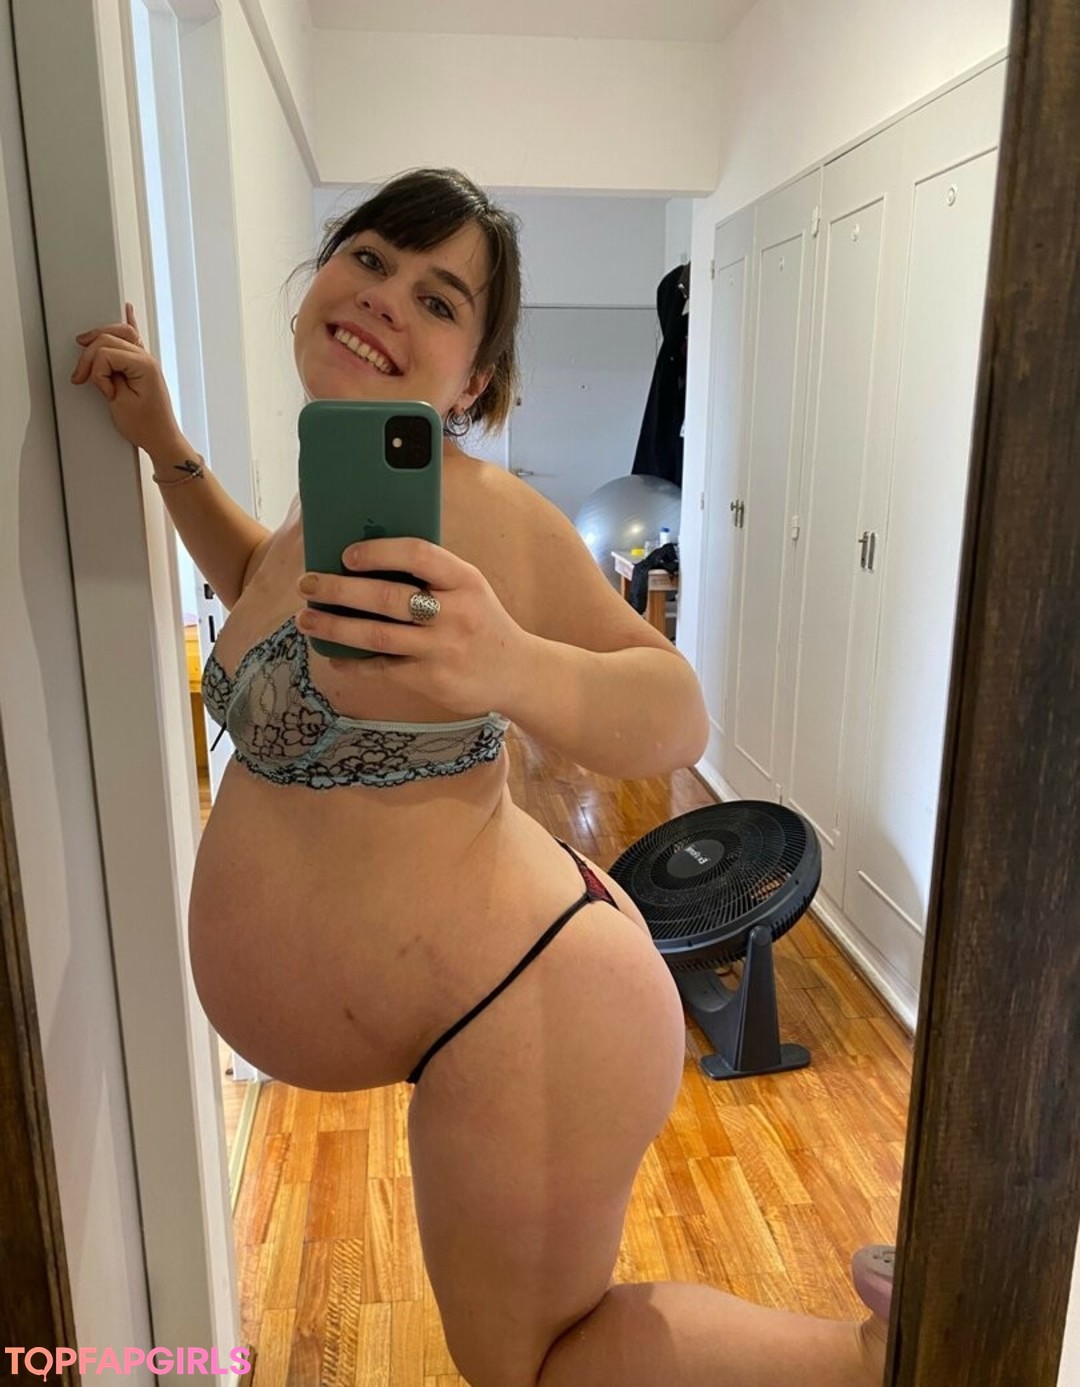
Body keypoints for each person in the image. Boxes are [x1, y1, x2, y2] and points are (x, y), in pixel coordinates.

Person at [72, 167, 891, 1387]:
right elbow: (263, 599)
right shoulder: (338, 494)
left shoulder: (482, 510)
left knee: (533, 1365)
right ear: (316, 282)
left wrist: (508, 661)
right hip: (478, 1008)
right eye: (369, 258)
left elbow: (675, 713)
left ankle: (881, 1357)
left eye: (440, 299)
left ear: (472, 383)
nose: (386, 296)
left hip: (535, 996)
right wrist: (167, 448)